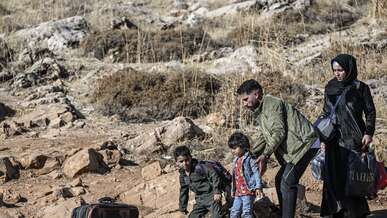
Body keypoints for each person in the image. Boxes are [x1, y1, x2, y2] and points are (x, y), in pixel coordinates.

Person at [236, 79, 319, 218]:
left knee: (287, 182)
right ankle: (284, 214)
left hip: (304, 145)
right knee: (280, 179)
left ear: (256, 94)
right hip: (295, 150)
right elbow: (265, 135)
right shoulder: (260, 110)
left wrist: (265, 155)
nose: (244, 104)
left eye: (245, 99)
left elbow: (278, 131)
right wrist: (251, 153)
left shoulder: (271, 104)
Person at [319, 54, 376, 218]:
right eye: (334, 70)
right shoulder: (330, 87)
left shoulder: (360, 88)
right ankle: (335, 210)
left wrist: (369, 133)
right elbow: (325, 113)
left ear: (349, 69)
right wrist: (322, 138)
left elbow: (370, 112)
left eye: (341, 70)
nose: (337, 74)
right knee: (332, 174)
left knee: (352, 175)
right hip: (333, 139)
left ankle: (355, 212)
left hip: (354, 138)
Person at [174, 145, 224, 218]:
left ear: (190, 158)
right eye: (181, 161)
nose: (185, 163)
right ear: (176, 162)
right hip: (200, 200)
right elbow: (184, 191)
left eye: (186, 160)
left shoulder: (199, 167)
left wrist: (217, 191)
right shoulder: (183, 175)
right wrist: (182, 208)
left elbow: (214, 175)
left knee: (217, 216)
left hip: (211, 197)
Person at [228, 132, 264, 218]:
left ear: (242, 146)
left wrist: (258, 186)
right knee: (234, 212)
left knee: (246, 212)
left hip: (248, 191)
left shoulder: (250, 159)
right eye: (231, 148)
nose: (232, 151)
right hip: (238, 192)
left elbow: (256, 173)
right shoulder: (235, 160)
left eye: (235, 148)